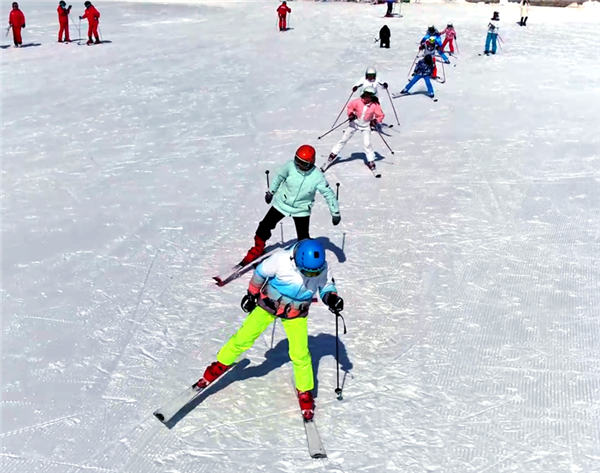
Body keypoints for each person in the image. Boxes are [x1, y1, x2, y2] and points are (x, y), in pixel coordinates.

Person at [196, 238, 345, 421]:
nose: (311, 276)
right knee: (244, 337)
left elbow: (326, 286)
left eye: (314, 273)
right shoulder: (280, 259)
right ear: (297, 261)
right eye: (307, 272)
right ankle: (220, 364)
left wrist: (331, 298)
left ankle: (305, 390)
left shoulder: (320, 267)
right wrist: (251, 294)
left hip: (296, 313)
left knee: (300, 353)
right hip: (268, 305)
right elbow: (260, 273)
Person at [240, 145, 340, 266]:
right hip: (282, 203)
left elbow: (329, 194)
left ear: (311, 163)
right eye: (297, 160)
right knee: (264, 226)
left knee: (303, 239)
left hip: (301, 209)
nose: (298, 165)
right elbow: (279, 177)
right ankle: (257, 250)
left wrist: (335, 212)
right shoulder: (290, 166)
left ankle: (304, 259)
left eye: (303, 163)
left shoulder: (317, 177)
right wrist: (271, 192)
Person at [327, 86, 385, 172]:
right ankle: (333, 154)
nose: (367, 98)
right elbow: (350, 107)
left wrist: (375, 121)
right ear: (363, 94)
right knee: (344, 139)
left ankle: (371, 161)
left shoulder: (375, 105)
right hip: (354, 124)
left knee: (367, 144)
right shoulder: (357, 102)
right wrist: (351, 115)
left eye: (370, 96)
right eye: (366, 95)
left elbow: (380, 115)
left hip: (366, 126)